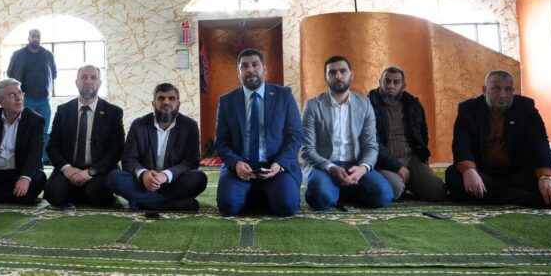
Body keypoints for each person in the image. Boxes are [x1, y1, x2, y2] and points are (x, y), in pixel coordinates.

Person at [445, 70, 551, 208]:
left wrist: (546, 177)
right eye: (496, 88)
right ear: (484, 90)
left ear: (513, 91)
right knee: (454, 176)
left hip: (516, 171)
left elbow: (540, 143)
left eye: (507, 89)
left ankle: (501, 195)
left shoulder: (526, 108)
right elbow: (461, 144)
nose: (502, 95)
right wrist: (469, 170)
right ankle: (526, 199)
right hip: (482, 172)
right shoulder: (468, 109)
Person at [215, 48, 303, 216]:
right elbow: (221, 141)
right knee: (228, 206)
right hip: (241, 165)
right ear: (238, 72)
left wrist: (279, 164)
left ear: (265, 69)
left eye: (255, 64)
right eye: (244, 66)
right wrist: (236, 163)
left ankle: (261, 193)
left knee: (287, 206)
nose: (250, 70)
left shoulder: (284, 95)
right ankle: (258, 193)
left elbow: (296, 135)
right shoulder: (227, 101)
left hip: (275, 165)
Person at [301, 55, 394, 210]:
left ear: (351, 75)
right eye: (332, 72)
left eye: (343, 71)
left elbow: (371, 145)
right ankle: (334, 190)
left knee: (384, 195)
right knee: (320, 197)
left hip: (355, 165)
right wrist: (332, 168)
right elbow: (307, 149)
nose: (338, 76)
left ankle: (339, 191)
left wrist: (363, 168)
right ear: (325, 78)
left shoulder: (365, 104)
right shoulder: (312, 106)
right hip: (324, 165)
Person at [107, 83, 207, 211]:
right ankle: (172, 205)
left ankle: (143, 201)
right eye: (161, 98)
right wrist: (144, 174)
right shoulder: (139, 125)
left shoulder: (189, 126)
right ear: (153, 103)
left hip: (173, 182)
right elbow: (128, 159)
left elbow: (191, 161)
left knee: (199, 178)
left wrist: (166, 175)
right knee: (114, 177)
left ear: (178, 104)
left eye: (171, 98)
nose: (166, 102)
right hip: (143, 184)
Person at [44, 65, 124, 209]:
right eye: (84, 77)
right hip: (69, 169)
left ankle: (82, 191)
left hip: (98, 170)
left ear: (99, 83)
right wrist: (66, 168)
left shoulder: (113, 112)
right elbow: (53, 146)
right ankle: (78, 190)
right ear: (77, 83)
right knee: (53, 194)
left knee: (98, 195)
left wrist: (91, 172)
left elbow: (116, 149)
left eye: (93, 77)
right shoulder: (63, 111)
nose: (88, 81)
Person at [368, 66, 447, 201]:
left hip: (410, 158)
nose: (391, 86)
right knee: (396, 189)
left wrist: (421, 162)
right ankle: (403, 181)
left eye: (396, 82)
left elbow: (422, 134)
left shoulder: (413, 104)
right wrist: (397, 167)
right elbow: (373, 142)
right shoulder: (368, 105)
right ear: (380, 82)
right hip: (382, 161)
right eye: (387, 81)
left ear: (403, 85)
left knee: (437, 192)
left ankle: (410, 180)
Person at [7, 29, 57, 164]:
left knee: (44, 130)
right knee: (25, 129)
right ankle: (25, 157)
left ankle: (44, 158)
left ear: (40, 38)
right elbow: (10, 73)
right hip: (25, 98)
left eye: (38, 36)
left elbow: (54, 74)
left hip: (44, 99)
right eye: (33, 36)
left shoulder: (48, 55)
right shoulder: (18, 55)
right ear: (28, 38)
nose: (36, 38)